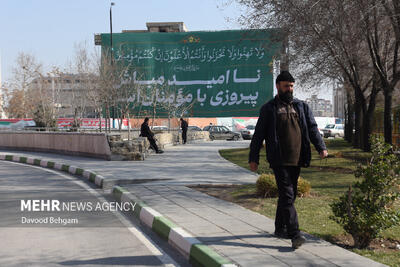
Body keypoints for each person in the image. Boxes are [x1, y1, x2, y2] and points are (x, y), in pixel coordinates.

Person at [248, 71, 328, 249]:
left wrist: (321, 147)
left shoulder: (301, 106)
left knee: (287, 196)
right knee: (287, 194)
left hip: (298, 158)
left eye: (291, 86)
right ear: (278, 86)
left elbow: (313, 128)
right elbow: (258, 135)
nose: (289, 89)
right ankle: (295, 234)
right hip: (279, 159)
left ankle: (280, 227)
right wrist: (253, 158)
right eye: (286, 86)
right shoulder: (269, 108)